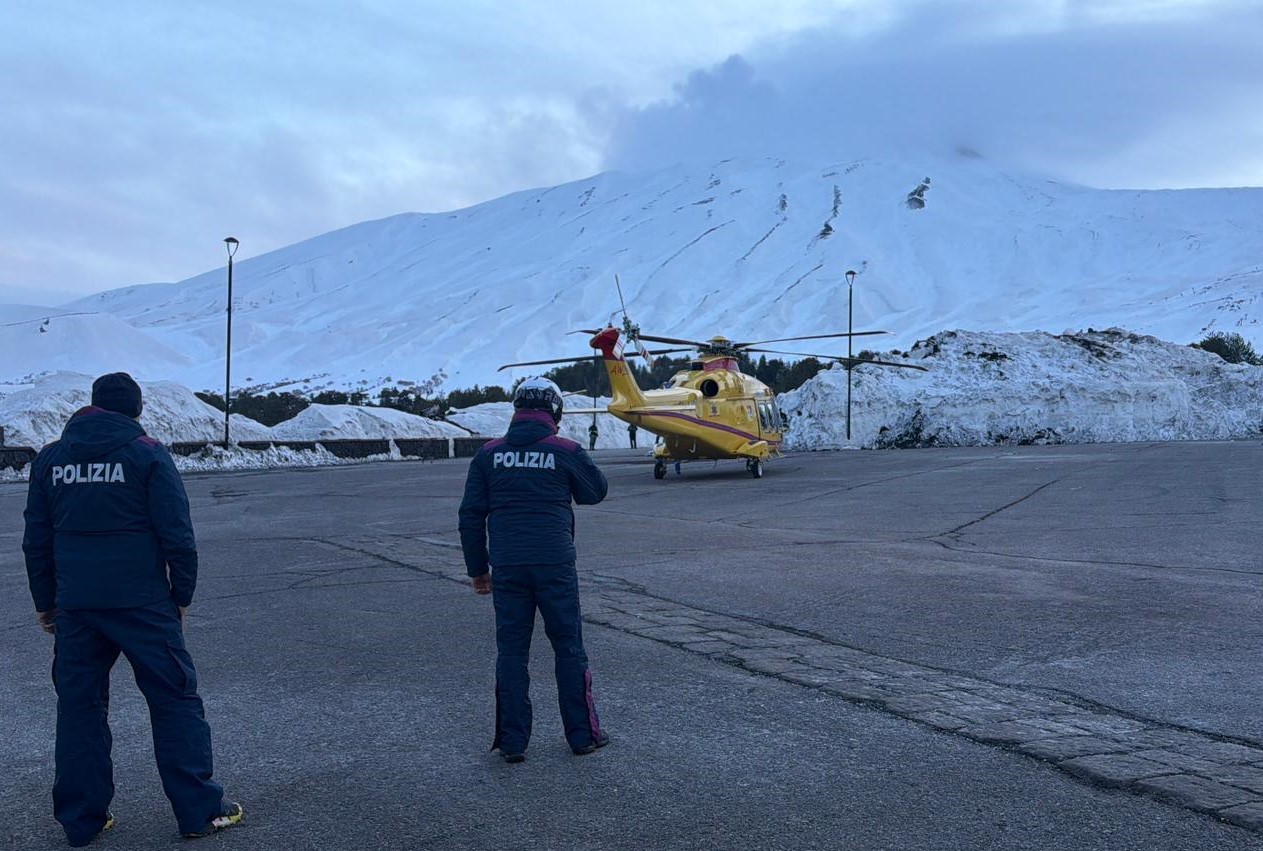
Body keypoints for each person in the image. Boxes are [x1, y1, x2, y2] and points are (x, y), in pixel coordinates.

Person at [22, 373, 241, 846]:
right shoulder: (146, 454)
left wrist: (46, 603)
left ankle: (83, 822)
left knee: (79, 708)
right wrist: (181, 595)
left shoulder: (52, 460)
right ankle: (200, 812)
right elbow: (178, 536)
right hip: (142, 605)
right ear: (136, 411)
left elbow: (36, 540)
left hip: (77, 607)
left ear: (92, 407)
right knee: (174, 698)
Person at [459, 377, 610, 763]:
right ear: (555, 412)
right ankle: (582, 736)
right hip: (555, 564)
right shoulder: (565, 450)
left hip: (508, 566)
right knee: (568, 648)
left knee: (511, 651)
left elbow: (470, 516)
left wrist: (479, 569)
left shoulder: (488, 455)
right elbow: (595, 491)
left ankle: (512, 741)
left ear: (516, 409)